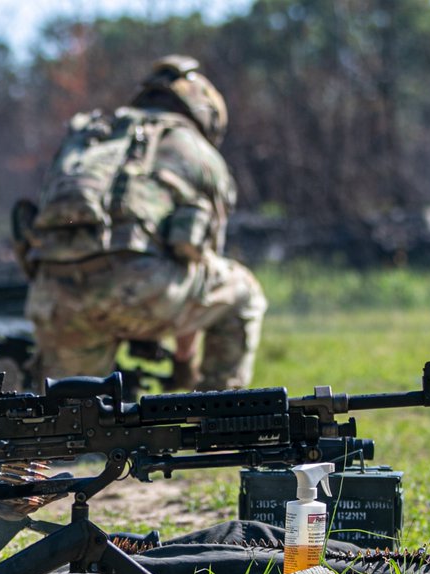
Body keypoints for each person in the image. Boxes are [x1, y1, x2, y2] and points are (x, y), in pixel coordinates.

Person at [15, 55, 267, 391]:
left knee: (74, 416)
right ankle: (222, 423)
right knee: (243, 292)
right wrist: (183, 363)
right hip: (142, 293)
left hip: (56, 299)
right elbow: (196, 261)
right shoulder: (196, 150)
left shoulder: (94, 137)